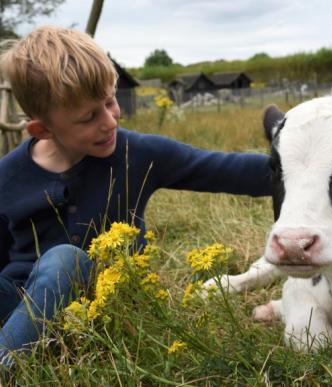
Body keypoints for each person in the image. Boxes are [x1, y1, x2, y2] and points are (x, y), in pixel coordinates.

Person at [0, 26, 271, 365]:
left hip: (103, 302)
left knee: (65, 261)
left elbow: (224, 168)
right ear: (43, 129)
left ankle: (5, 365)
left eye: (110, 101)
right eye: (89, 117)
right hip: (18, 298)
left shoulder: (138, 154)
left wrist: (312, 167)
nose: (110, 121)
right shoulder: (7, 177)